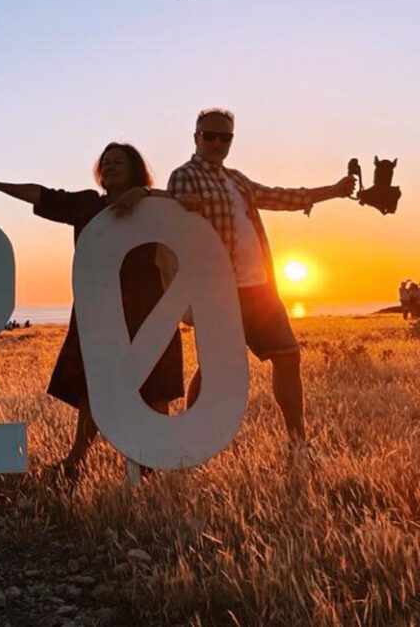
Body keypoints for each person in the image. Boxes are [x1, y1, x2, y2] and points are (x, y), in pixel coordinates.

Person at [122, 108, 355, 448]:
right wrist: (172, 201)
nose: (217, 143)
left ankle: (298, 440)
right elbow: (176, 210)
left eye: (225, 137)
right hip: (218, 292)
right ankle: (190, 437)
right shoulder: (185, 175)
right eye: (209, 136)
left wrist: (332, 190)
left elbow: (278, 196)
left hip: (260, 288)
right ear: (196, 137)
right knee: (215, 369)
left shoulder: (237, 179)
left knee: (288, 356)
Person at [0, 141, 185, 479]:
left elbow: (186, 205)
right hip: (97, 307)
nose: (112, 166)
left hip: (147, 305)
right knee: (92, 387)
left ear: (135, 169)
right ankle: (76, 461)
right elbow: (44, 195)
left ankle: (154, 459)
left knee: (154, 385)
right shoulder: (88, 204)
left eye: (120, 161)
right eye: (107, 162)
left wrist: (144, 193)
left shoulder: (152, 205)